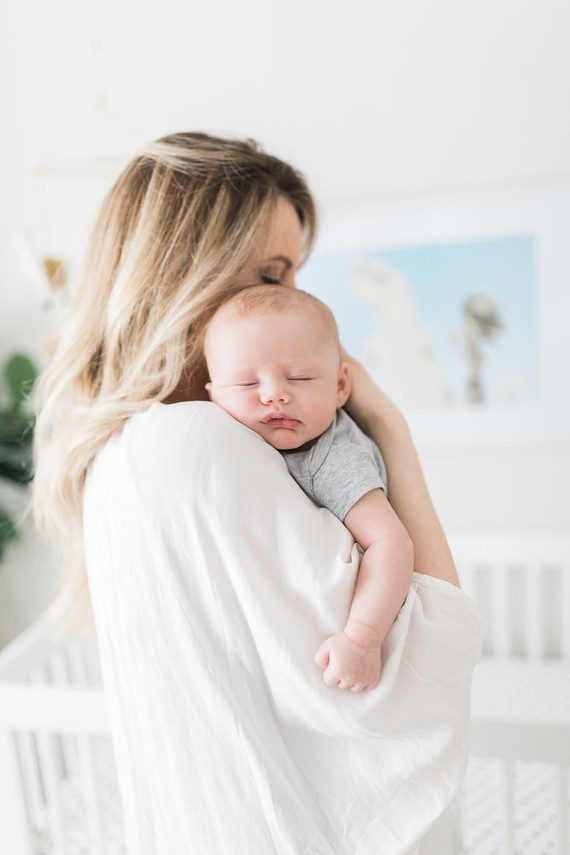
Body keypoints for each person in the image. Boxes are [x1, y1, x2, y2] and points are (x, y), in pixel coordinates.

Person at [33, 131, 483, 855]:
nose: (292, 301)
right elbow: (428, 651)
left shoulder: (130, 453)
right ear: (185, 272)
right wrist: (390, 430)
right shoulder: (200, 446)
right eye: (273, 275)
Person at [203, 284, 414, 693]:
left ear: (340, 387)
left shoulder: (331, 456)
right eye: (247, 385)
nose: (273, 394)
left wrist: (362, 639)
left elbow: (392, 543)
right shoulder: (230, 437)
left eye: (298, 377)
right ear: (211, 398)